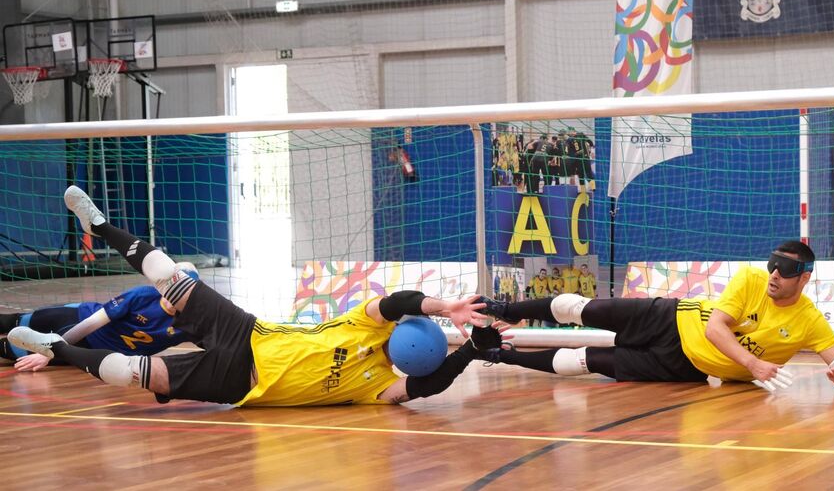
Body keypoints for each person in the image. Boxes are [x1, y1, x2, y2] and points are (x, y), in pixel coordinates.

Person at [8, 186, 507, 406]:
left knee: (131, 375)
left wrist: (467, 350)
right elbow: (397, 301)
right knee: (170, 277)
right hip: (249, 333)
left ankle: (56, 350)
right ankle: (99, 224)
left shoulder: (376, 388)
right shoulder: (371, 323)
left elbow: (426, 389)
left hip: (239, 384)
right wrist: (447, 308)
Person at [475, 241, 834, 391]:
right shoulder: (750, 279)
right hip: (670, 318)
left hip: (684, 366)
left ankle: (497, 354)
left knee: (584, 361)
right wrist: (752, 364)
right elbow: (715, 328)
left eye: (787, 270)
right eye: (773, 264)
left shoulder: (809, 320)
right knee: (583, 309)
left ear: (805, 278)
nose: (775, 274)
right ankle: (503, 309)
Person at [1, 271, 196, 371]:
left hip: (88, 349)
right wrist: (49, 352)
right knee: (15, 322)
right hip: (78, 319)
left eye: (184, 293)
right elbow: (91, 323)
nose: (176, 296)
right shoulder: (142, 296)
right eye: (174, 288)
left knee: (8, 349)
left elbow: (219, 343)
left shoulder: (190, 323)